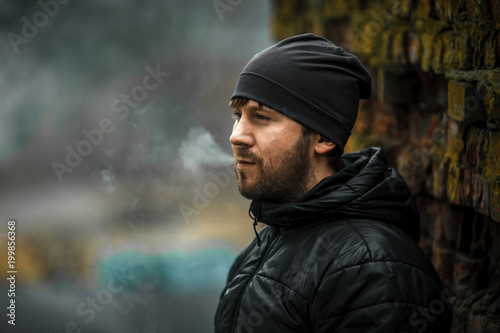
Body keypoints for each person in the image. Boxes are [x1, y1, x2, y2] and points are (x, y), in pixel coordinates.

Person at [214, 33, 452, 332]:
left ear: (324, 138)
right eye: (238, 114)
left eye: (261, 117)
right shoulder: (262, 247)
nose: (236, 135)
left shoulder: (372, 268)